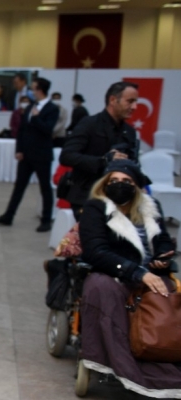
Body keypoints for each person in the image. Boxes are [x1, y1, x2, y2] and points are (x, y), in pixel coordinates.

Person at [78, 160, 181, 397]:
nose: (119, 184)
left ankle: (164, 354)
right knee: (103, 291)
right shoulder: (95, 208)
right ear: (105, 184)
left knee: (165, 298)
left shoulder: (150, 207)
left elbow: (163, 240)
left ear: (137, 186)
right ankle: (124, 366)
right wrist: (137, 272)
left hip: (149, 273)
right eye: (113, 180)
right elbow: (95, 251)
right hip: (111, 272)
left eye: (126, 181)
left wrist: (162, 257)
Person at [59, 82, 139, 220]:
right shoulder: (89, 124)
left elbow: (133, 163)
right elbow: (67, 156)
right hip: (87, 196)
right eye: (130, 101)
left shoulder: (129, 131)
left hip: (119, 199)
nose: (134, 107)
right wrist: (103, 161)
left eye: (135, 102)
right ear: (113, 100)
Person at [0, 77, 59, 232]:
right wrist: (19, 149)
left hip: (42, 155)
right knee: (19, 187)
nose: (31, 91)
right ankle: (8, 215)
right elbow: (22, 130)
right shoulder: (30, 107)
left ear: (40, 90)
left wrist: (36, 118)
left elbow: (48, 130)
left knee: (45, 188)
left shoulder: (52, 109)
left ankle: (46, 220)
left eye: (33, 88)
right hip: (26, 155)